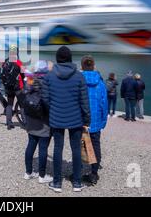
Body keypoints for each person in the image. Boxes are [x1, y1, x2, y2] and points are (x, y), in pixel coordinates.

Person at [42, 46, 90, 193]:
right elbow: (84, 100)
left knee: (58, 148)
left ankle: (57, 183)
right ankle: (76, 182)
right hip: (76, 118)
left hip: (56, 117)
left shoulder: (49, 76)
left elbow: (45, 99)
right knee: (76, 149)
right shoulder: (79, 76)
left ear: (57, 59)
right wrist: (87, 119)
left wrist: (53, 110)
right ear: (70, 58)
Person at [23, 60, 53, 184]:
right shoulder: (48, 82)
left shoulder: (30, 80)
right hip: (44, 119)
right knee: (43, 147)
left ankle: (28, 172)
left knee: (31, 144)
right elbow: (48, 102)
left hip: (30, 117)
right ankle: (42, 175)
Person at [81, 55, 108, 185]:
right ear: (94, 66)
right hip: (96, 121)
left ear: (81, 66)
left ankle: (77, 171)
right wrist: (103, 122)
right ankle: (94, 173)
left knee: (78, 145)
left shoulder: (78, 81)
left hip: (80, 121)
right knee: (96, 145)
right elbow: (104, 104)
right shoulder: (101, 83)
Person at [0, 58, 24, 130]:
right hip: (17, 87)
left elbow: (2, 75)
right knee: (21, 104)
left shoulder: (6, 62)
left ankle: (9, 123)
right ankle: (25, 122)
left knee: (9, 105)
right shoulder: (18, 62)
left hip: (8, 87)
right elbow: (23, 74)